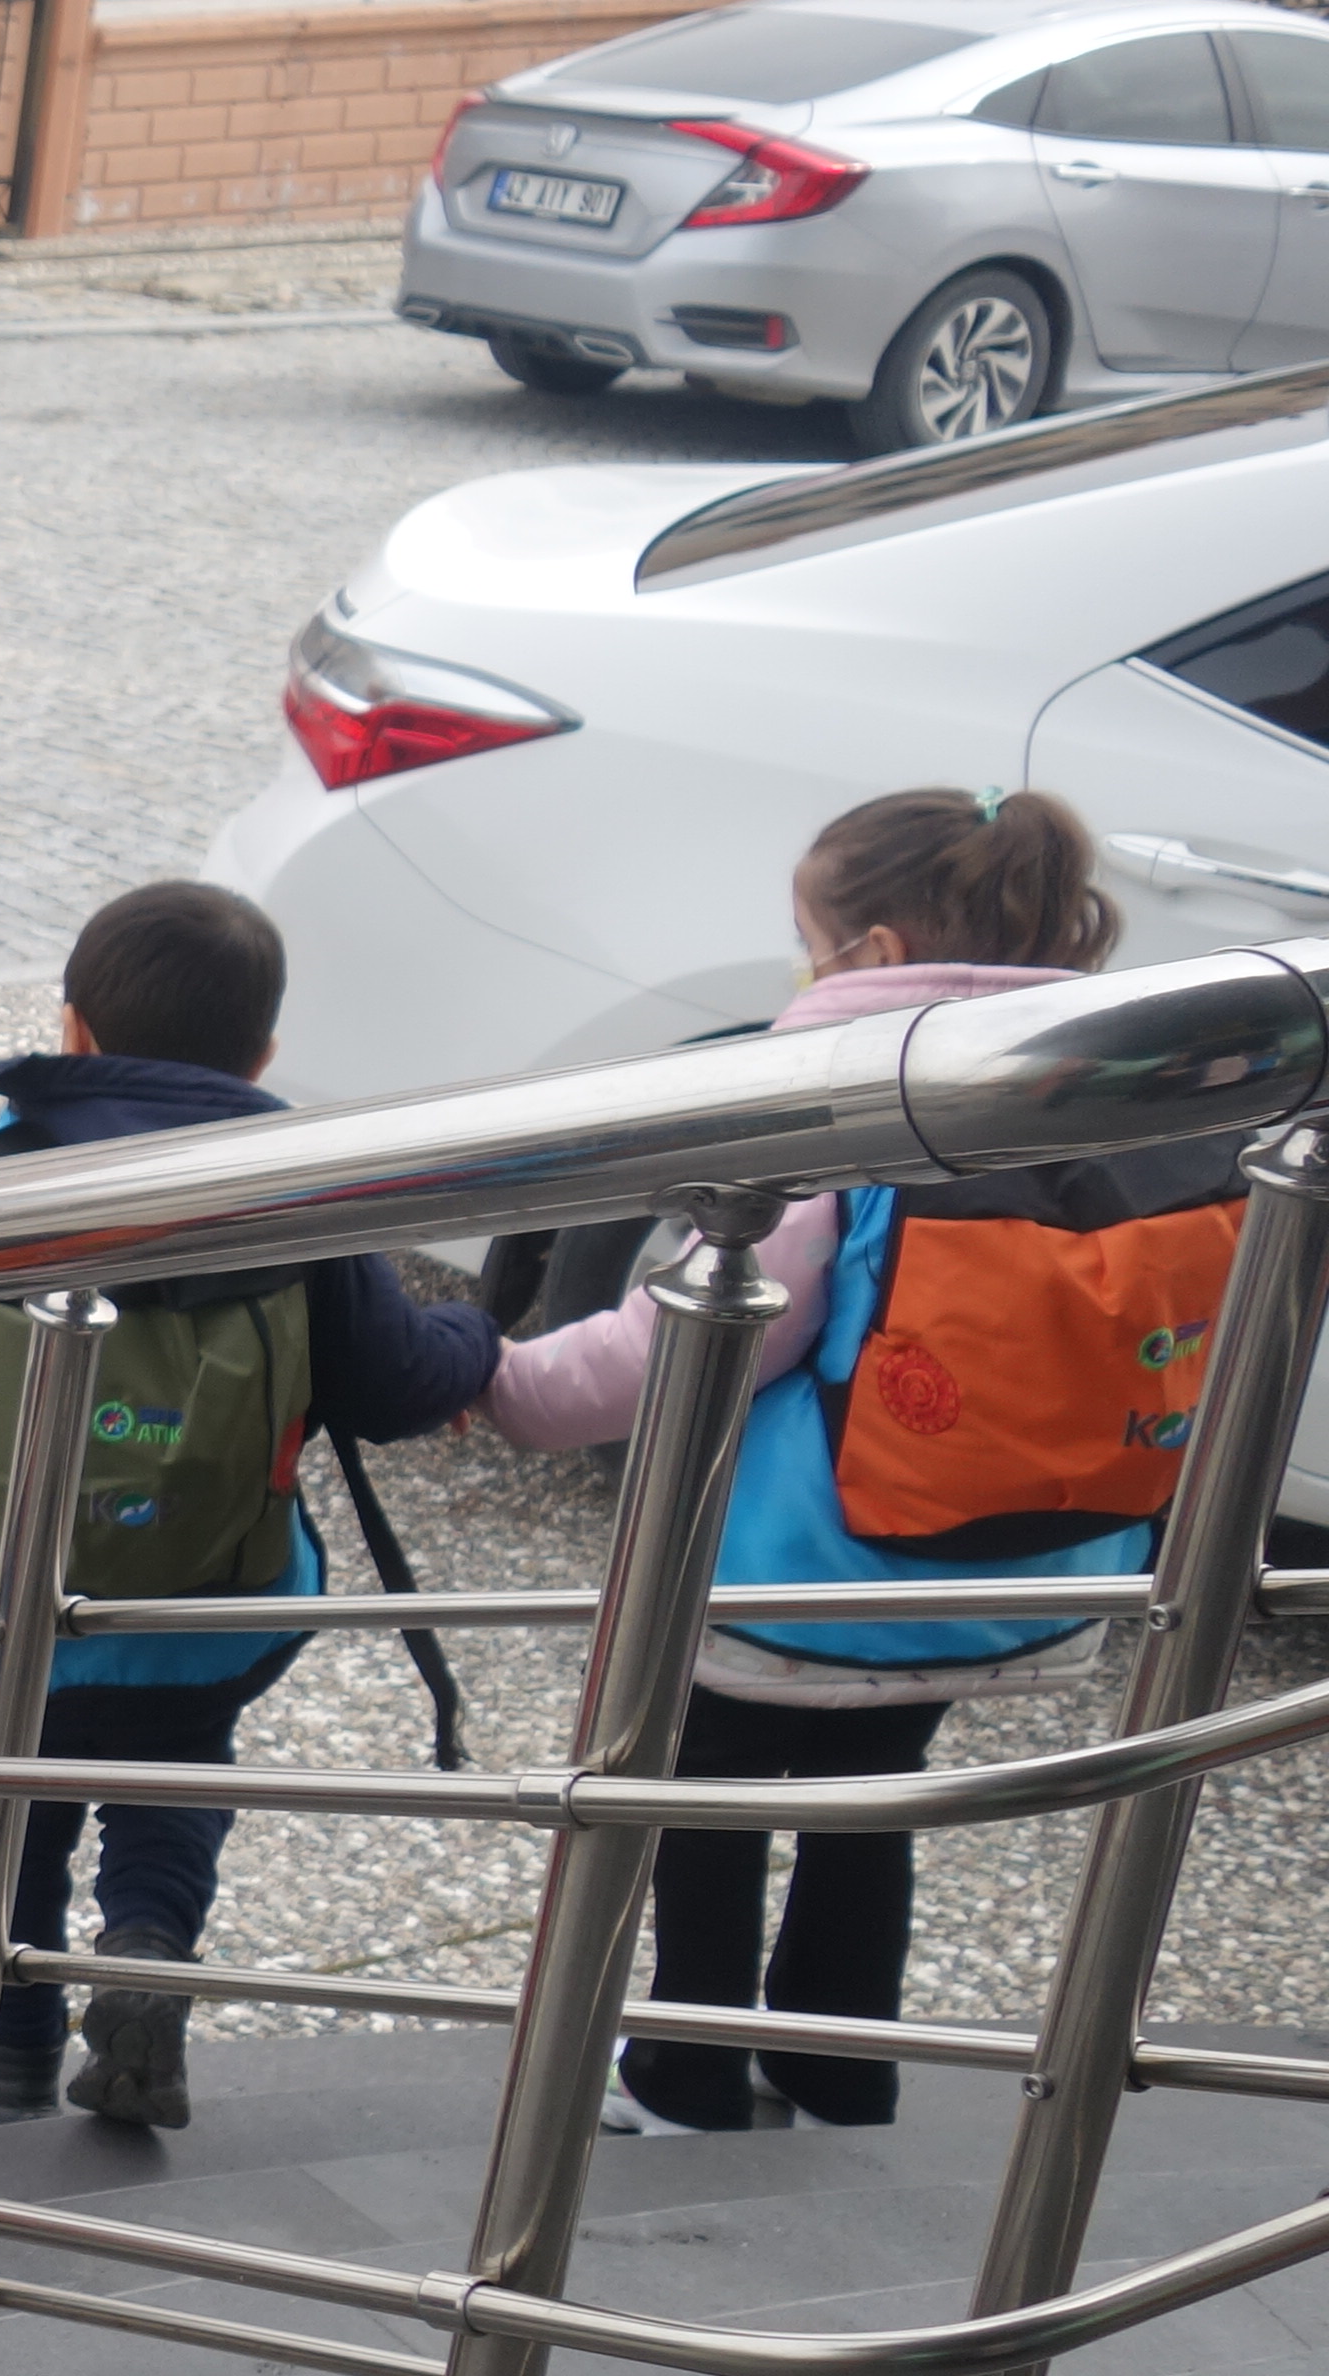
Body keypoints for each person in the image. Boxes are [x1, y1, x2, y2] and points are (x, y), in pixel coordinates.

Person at [480, 789, 1221, 2139]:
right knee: (869, 1806)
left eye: (811, 947)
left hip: (798, 1579)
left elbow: (685, 1343)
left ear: (872, 957)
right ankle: (837, 2072)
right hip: (1010, 1570)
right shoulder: (1105, 1105)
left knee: (701, 1799)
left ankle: (687, 2072)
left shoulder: (855, 1122)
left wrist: (509, 1391)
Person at [0, 885, 498, 2128]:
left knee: (5, 1806)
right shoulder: (302, 1201)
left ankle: (10, 2037)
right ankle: (143, 1952)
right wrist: (476, 1331)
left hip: (2, 1605)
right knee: (174, 1782)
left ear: (71, 1031)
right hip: (205, 1607)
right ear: (263, 1058)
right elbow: (397, 1384)